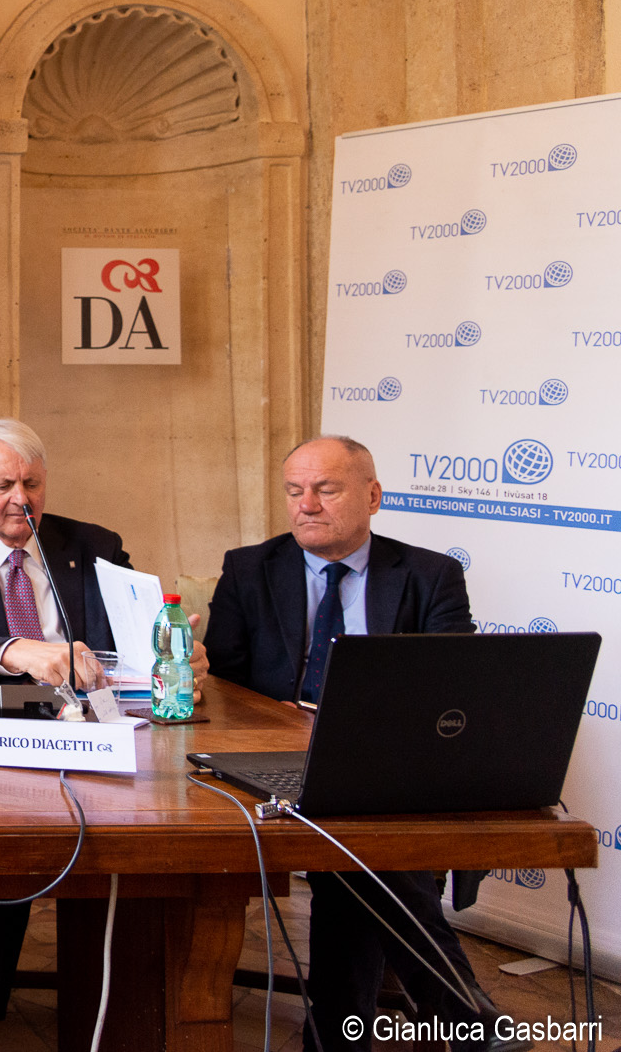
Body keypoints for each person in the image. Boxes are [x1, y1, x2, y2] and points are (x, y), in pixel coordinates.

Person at [204, 436, 521, 1052]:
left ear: (373, 496)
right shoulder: (249, 568)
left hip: (387, 762)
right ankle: (459, 1015)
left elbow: (453, 691)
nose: (306, 505)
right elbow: (224, 685)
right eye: (295, 491)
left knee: (353, 847)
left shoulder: (429, 575)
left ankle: (338, 1035)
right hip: (274, 758)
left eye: (326, 489)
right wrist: (272, 718)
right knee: (363, 848)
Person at [0, 417, 199, 1052]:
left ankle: (133, 1006)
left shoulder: (93, 545)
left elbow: (132, 633)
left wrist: (172, 654)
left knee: (157, 826)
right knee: (1, 840)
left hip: (96, 726)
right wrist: (18, 650)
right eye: (3, 485)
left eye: (32, 484)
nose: (21, 499)